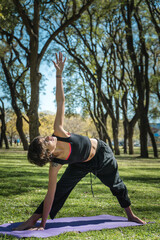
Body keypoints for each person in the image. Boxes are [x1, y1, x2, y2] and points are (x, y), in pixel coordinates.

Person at [14, 52, 146, 231]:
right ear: (48, 153)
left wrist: (58, 74)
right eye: (46, 140)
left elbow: (61, 101)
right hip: (80, 164)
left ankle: (130, 215)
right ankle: (33, 220)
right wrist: (43, 224)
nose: (49, 136)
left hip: (101, 154)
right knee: (60, 189)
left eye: (45, 136)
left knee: (116, 184)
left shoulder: (59, 132)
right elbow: (51, 195)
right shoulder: (55, 165)